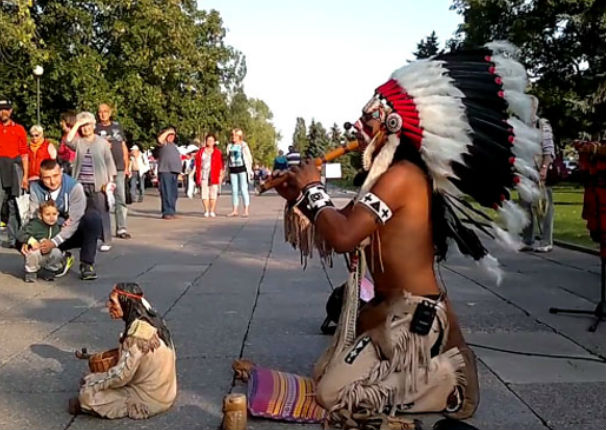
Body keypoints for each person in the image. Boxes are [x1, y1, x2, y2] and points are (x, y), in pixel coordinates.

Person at [271, 43, 541, 428]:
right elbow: (337, 226)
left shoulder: (402, 178)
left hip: (413, 315)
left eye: (369, 119)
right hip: (387, 311)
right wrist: (298, 193)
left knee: (333, 395)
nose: (357, 128)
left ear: (393, 124)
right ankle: (414, 369)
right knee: (322, 374)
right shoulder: (383, 180)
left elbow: (344, 236)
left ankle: (448, 378)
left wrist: (313, 190)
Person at [70, 282, 177, 419]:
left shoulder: (138, 335)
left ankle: (91, 407)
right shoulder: (153, 320)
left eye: (112, 302)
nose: (108, 306)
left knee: (87, 395)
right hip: (167, 390)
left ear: (126, 304)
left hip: (151, 397)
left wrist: (94, 381)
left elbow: (121, 376)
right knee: (95, 380)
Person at [27, 159, 103, 280]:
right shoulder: (35, 188)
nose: (52, 181)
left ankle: (87, 264)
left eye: (55, 176)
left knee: (93, 218)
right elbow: (34, 216)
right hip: (52, 228)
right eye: (47, 178)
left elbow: (74, 221)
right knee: (24, 236)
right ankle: (58, 257)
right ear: (40, 177)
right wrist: (31, 241)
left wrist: (53, 243)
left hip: (74, 230)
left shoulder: (75, 187)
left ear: (61, 172)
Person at [66, 111, 117, 252]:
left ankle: (106, 239)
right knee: (81, 211)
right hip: (80, 183)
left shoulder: (102, 143)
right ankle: (85, 237)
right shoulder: (79, 143)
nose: (85, 128)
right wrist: (77, 123)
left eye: (87, 125)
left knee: (102, 211)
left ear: (93, 125)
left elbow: (109, 162)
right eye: (83, 126)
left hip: (99, 183)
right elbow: (68, 140)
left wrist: (110, 181)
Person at [520, 96, 555, 252]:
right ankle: (527, 240)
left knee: (544, 207)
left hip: (539, 169)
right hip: (525, 170)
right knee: (525, 206)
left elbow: (549, 150)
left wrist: (544, 168)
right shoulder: (522, 125)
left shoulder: (543, 125)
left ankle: (546, 241)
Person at [96, 103, 131, 240]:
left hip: (119, 168)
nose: (103, 114)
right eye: (100, 112)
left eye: (105, 111)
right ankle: (103, 229)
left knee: (120, 198)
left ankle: (121, 228)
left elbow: (123, 146)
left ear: (110, 113)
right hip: (102, 168)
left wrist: (127, 165)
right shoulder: (95, 129)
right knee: (102, 199)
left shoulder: (117, 127)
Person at [0, 97, 29, 248]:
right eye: (0, 109)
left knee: (14, 204)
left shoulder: (19, 129)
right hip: (0, 165)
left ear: (10, 111)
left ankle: (13, 238)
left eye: (5, 109)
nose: (3, 112)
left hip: (14, 167)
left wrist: (25, 176)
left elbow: (24, 153)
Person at [17, 199, 63, 282]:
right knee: (33, 253)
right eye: (47, 214)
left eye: (54, 214)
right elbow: (20, 234)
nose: (51, 217)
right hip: (36, 250)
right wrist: (31, 241)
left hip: (49, 251)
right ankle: (31, 272)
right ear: (40, 215)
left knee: (57, 253)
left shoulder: (57, 227)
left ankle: (50, 270)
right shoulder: (35, 225)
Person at [194, 133, 223, 217]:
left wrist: (221, 175)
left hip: (214, 174)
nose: (210, 142)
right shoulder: (201, 151)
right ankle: (206, 210)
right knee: (204, 193)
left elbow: (220, 165)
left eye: (211, 140)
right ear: (206, 141)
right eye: (208, 140)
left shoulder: (217, 152)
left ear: (214, 142)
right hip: (203, 174)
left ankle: (212, 210)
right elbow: (197, 162)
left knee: (213, 193)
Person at [226, 128, 253, 217]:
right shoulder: (230, 145)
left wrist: (249, 169)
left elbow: (248, 157)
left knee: (243, 189)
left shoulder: (243, 145)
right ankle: (235, 210)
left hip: (242, 169)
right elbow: (228, 157)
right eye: (233, 135)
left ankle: (246, 210)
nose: (234, 137)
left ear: (240, 137)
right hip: (233, 168)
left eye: (236, 135)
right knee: (234, 190)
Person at [156, 127, 181, 220]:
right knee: (166, 192)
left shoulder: (174, 146)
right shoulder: (164, 144)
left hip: (174, 171)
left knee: (174, 193)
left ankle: (172, 210)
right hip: (165, 171)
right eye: (169, 136)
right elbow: (160, 139)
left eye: (173, 136)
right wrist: (169, 131)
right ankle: (167, 212)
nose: (171, 137)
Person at [58, 111, 77, 175]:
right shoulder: (64, 135)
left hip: (70, 166)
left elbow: (72, 155)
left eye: (62, 121)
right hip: (63, 164)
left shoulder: (74, 136)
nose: (60, 123)